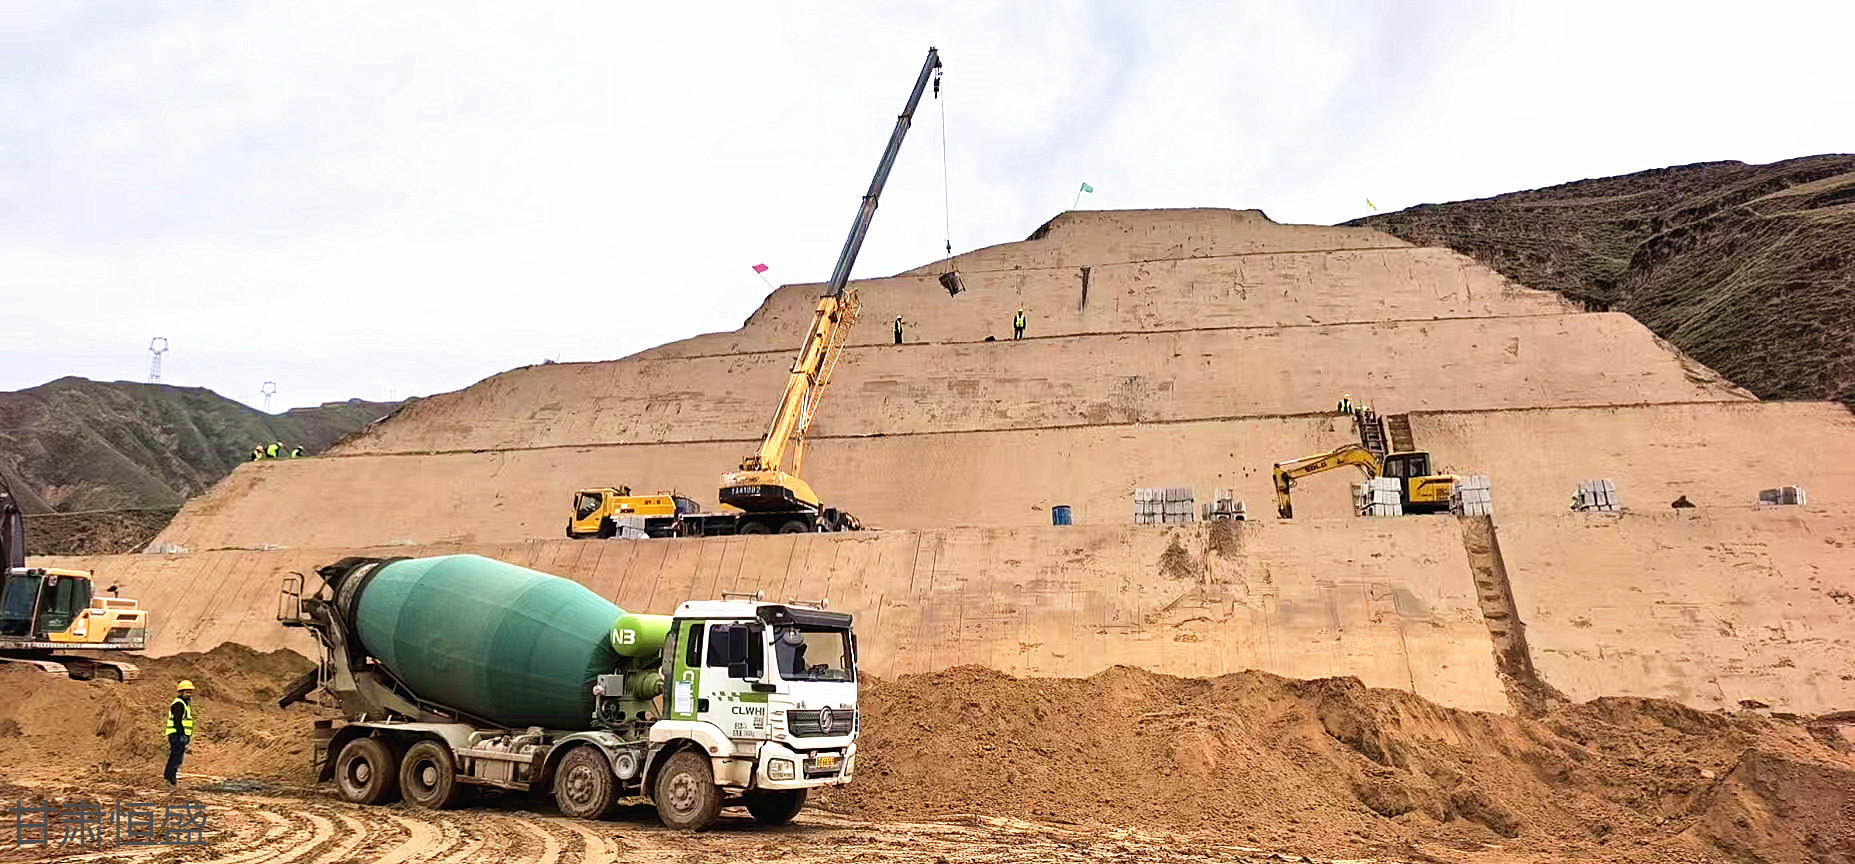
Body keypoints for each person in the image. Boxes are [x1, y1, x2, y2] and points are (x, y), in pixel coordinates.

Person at [165, 680, 196, 786]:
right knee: (176, 758)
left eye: (190, 692)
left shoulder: (183, 703)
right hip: (176, 734)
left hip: (178, 734)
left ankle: (169, 777)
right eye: (187, 692)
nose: (189, 694)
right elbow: (177, 721)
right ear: (181, 692)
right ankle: (170, 779)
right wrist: (182, 735)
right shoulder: (179, 704)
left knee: (176, 757)